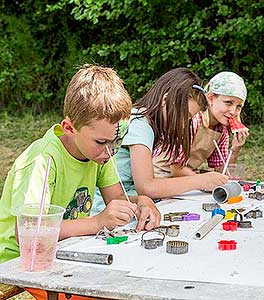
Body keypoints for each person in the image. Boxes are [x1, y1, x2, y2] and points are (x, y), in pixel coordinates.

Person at [0, 65, 161, 299]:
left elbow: (117, 198)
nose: (110, 152)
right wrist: (97, 222)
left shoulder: (97, 154)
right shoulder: (43, 159)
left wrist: (143, 201)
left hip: (64, 253)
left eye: (116, 143)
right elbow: (30, 234)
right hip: (22, 266)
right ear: (69, 127)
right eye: (101, 141)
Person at [90, 68, 228, 215]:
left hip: (131, 203)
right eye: (185, 116)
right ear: (166, 99)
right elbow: (147, 186)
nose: (183, 124)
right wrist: (201, 181)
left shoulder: (151, 126)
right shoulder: (140, 124)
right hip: (108, 208)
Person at [153, 71, 249, 178]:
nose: (233, 111)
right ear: (211, 98)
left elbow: (222, 171)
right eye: (228, 102)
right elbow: (176, 169)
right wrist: (203, 181)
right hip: (161, 176)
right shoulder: (193, 119)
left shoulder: (221, 130)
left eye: (238, 106)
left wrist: (235, 149)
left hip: (186, 180)